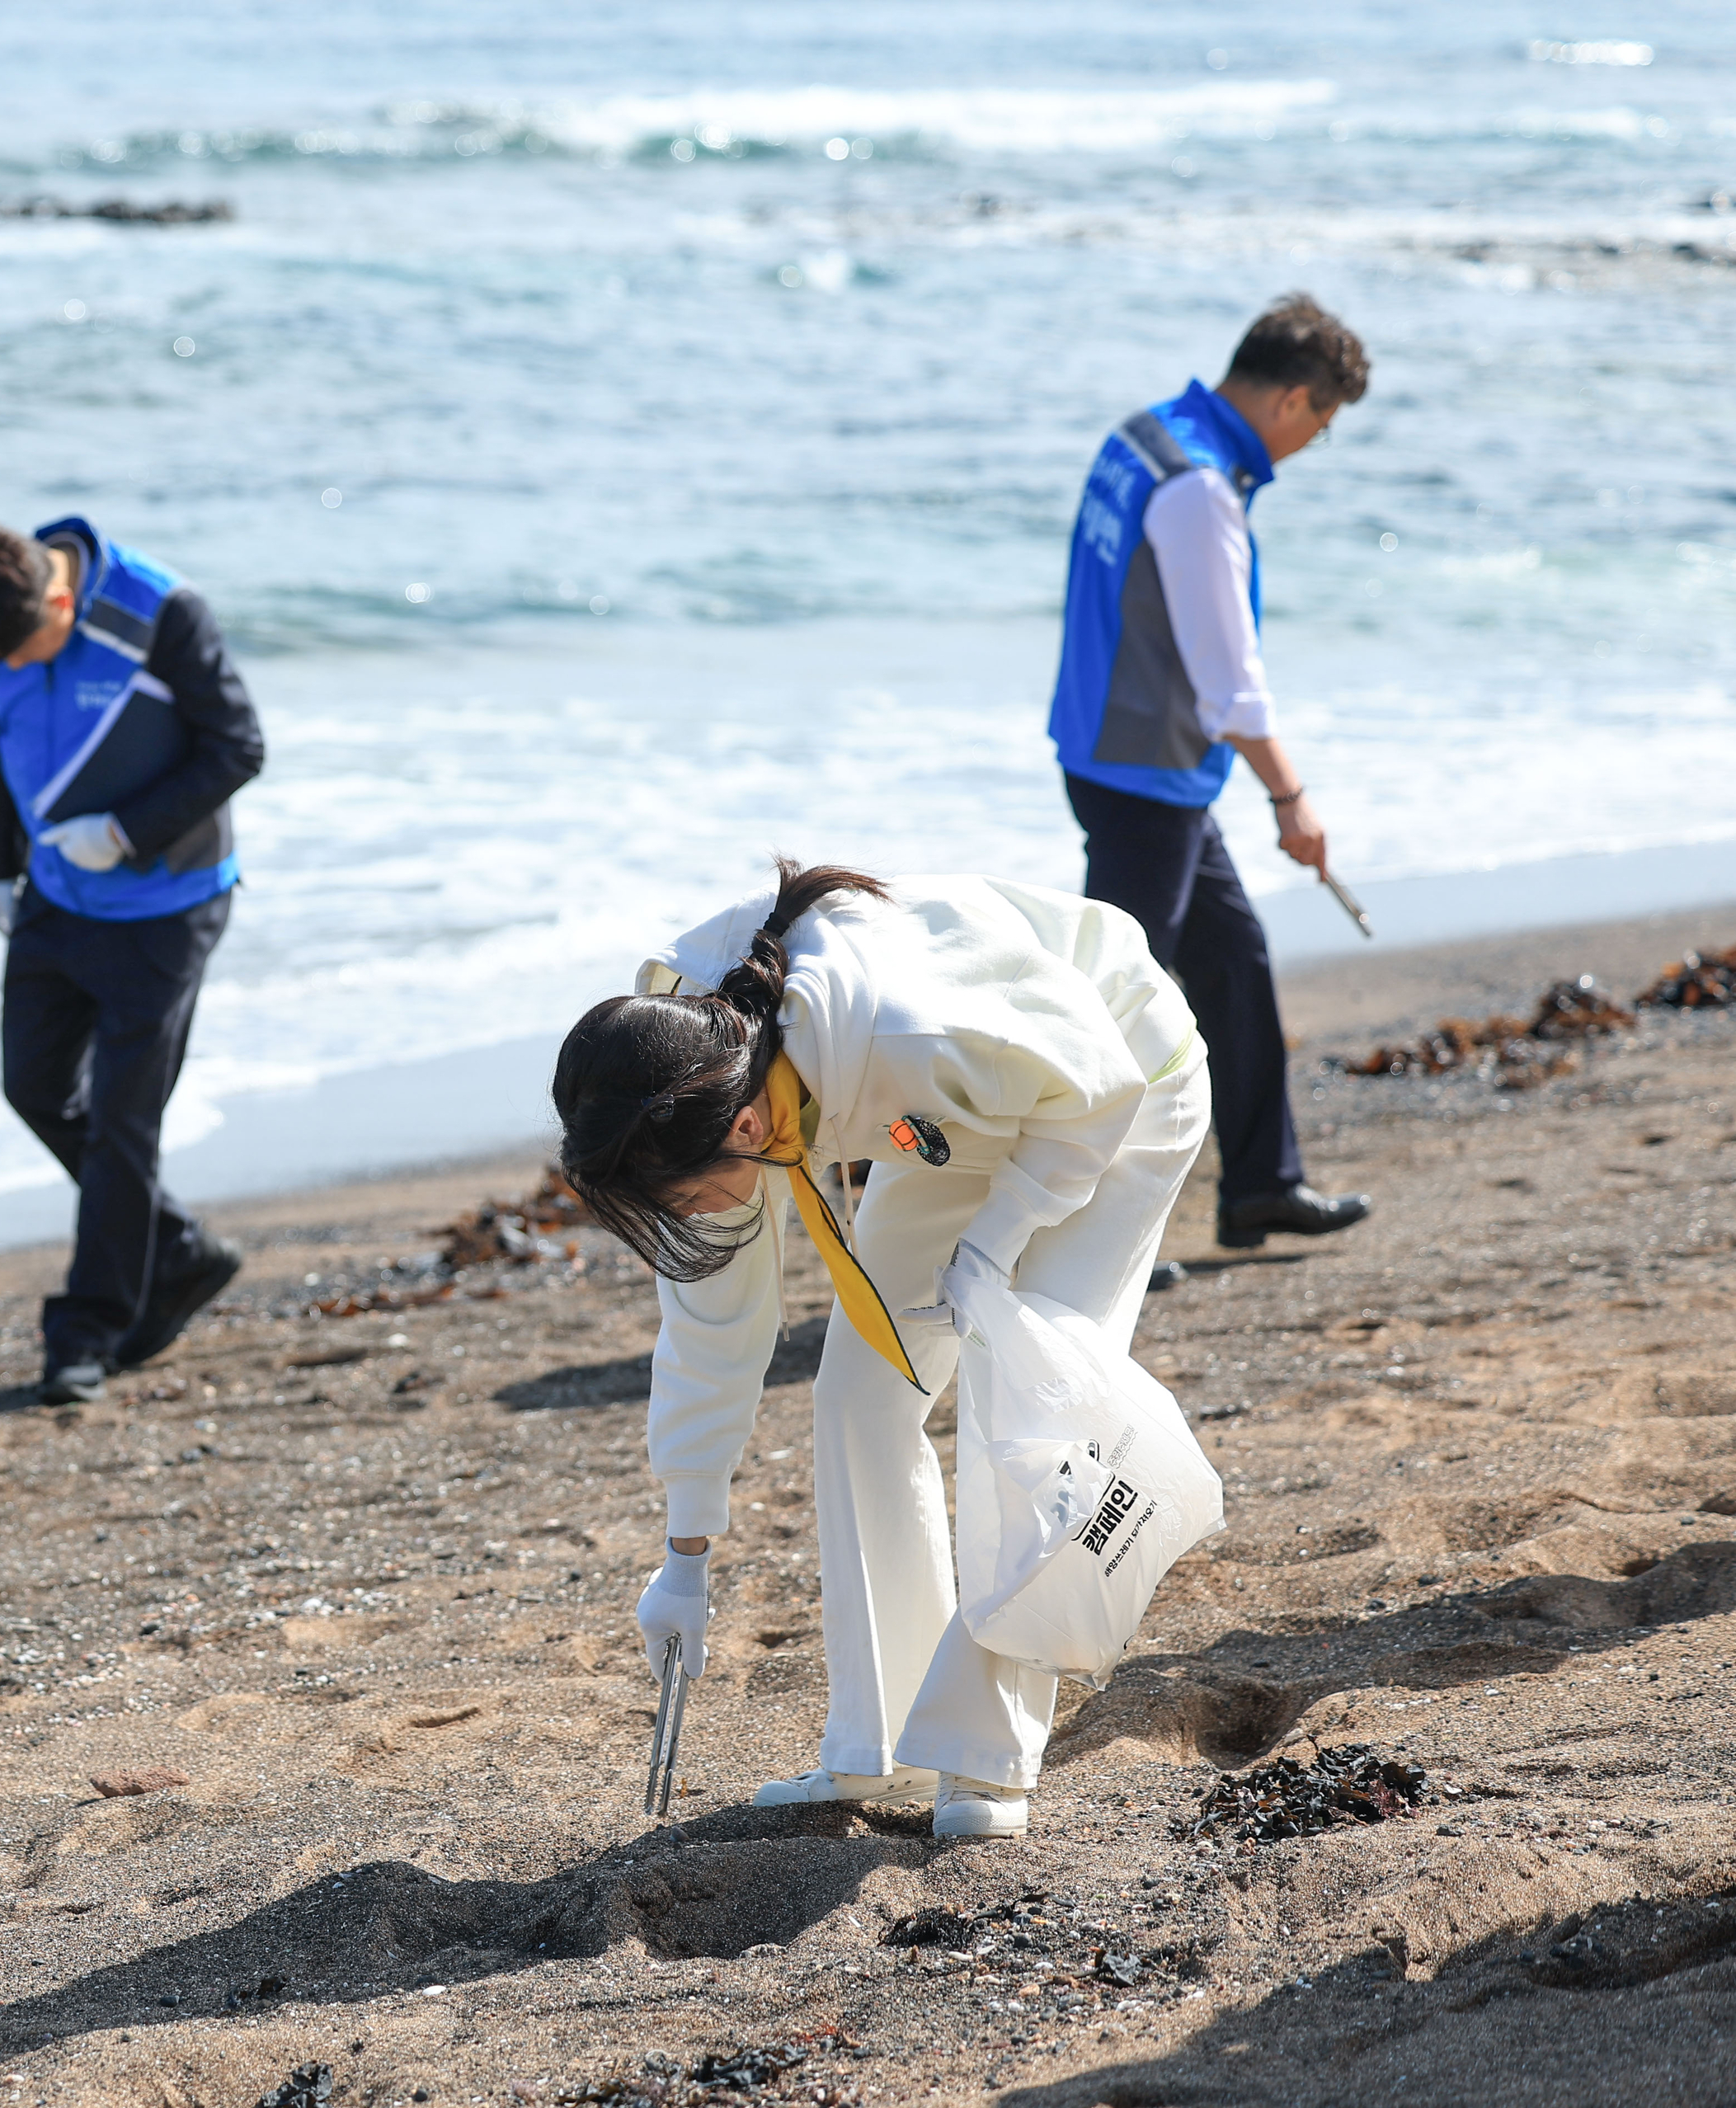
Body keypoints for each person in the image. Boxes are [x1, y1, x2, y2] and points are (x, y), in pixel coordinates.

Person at [558, 860, 1209, 1839]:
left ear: (748, 1125)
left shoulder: (906, 1029)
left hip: (1113, 1083)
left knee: (1023, 1404)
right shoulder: (676, 1077)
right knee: (859, 1398)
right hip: (948, 1112)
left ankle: (986, 1762)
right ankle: (885, 1750)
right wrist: (683, 1554)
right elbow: (711, 1325)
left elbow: (1096, 1087)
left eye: (686, 1200)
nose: (687, 1218)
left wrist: (994, 1242)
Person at [1049, 291, 1372, 1252]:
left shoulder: (1144, 435)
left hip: (1122, 756)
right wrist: (1290, 798)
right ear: (1293, 400)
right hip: (1142, 776)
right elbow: (1231, 685)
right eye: (1322, 424)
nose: (1312, 444)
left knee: (1234, 963)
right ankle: (1072, 1234)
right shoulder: (1199, 491)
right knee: (1111, 1014)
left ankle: (1261, 1187)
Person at [0, 519, 266, 1404]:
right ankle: (178, 1249)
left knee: (123, 1118)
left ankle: (88, 1328)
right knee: (34, 1086)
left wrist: (124, 833)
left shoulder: (161, 612)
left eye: (21, 651)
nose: (6, 668)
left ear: (62, 599)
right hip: (51, 896)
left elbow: (238, 746)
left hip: (166, 907)